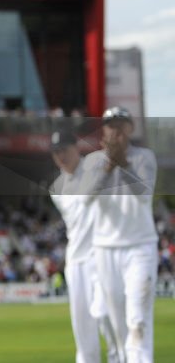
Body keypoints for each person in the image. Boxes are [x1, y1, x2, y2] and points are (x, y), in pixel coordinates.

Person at [79, 106, 158, 363]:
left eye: (121, 125)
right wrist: (108, 165)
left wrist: (122, 163)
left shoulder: (144, 157)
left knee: (138, 320)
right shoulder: (92, 161)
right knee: (118, 324)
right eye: (111, 126)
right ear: (104, 130)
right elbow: (86, 198)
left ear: (130, 129)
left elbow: (144, 196)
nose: (116, 131)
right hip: (105, 249)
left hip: (140, 247)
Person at [48, 130, 119, 363]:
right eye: (56, 152)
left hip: (100, 253)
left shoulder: (93, 163)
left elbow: (110, 160)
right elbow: (83, 204)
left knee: (104, 313)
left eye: (65, 150)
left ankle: (118, 357)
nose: (61, 156)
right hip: (76, 260)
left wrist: (109, 148)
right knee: (82, 326)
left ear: (76, 147)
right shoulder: (57, 188)